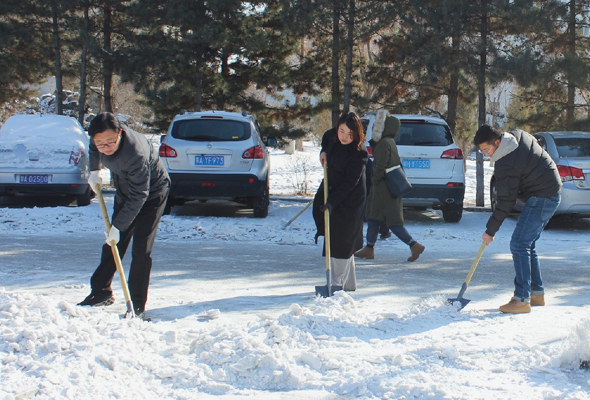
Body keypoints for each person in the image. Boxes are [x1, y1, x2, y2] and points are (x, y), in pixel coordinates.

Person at [78, 112, 170, 319]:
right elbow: (94, 148)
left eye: (111, 141)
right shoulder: (98, 141)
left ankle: (136, 304)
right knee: (113, 243)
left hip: (151, 195)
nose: (106, 147)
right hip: (125, 190)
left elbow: (140, 195)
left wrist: (118, 227)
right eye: (100, 143)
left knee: (141, 248)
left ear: (120, 132)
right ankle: (101, 292)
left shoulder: (134, 153)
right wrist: (94, 170)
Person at [474, 124, 561, 314]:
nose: (487, 154)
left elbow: (505, 201)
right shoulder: (515, 136)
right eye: (482, 151)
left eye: (487, 149)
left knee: (519, 244)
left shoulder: (506, 162)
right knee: (527, 244)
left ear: (497, 142)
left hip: (542, 196)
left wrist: (490, 231)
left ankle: (521, 299)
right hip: (549, 192)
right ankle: (535, 292)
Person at [355, 110, 425, 262]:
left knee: (391, 222)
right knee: (374, 218)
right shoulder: (390, 142)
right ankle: (369, 248)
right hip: (386, 188)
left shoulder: (384, 143)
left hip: (383, 190)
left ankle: (414, 245)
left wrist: (374, 180)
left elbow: (380, 165)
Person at [313, 111, 368, 291]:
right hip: (332, 193)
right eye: (342, 131)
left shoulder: (359, 154)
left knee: (342, 241)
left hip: (350, 201)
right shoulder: (333, 137)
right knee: (338, 239)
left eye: (350, 134)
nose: (344, 137)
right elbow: (326, 137)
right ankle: (348, 284)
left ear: (357, 134)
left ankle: (336, 284)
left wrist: (332, 202)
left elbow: (349, 184)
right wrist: (323, 151)